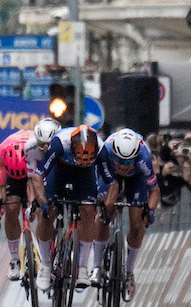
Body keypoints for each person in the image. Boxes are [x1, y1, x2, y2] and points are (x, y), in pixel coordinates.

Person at [36, 122, 105, 290]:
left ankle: (82, 268)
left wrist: (103, 202)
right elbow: (38, 175)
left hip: (85, 174)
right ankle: (45, 265)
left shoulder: (101, 147)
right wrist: (43, 202)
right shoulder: (59, 144)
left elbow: (109, 179)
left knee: (89, 211)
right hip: (59, 170)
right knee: (49, 212)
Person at [99, 128, 159, 295]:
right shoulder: (105, 151)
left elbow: (154, 190)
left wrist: (151, 211)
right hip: (110, 174)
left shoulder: (144, 160)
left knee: (137, 223)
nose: (124, 166)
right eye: (121, 161)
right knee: (103, 210)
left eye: (128, 162)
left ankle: (129, 271)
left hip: (136, 178)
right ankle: (97, 266)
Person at [0, 118, 54, 278]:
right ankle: (14, 260)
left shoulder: (34, 149)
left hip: (34, 172)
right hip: (12, 176)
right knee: (11, 208)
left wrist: (33, 204)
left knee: (42, 211)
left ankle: (46, 252)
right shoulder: (1, 151)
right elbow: (0, 185)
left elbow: (32, 181)